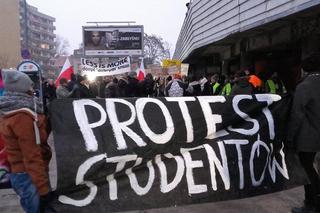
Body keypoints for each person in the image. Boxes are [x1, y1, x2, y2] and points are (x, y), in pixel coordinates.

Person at [0, 70, 53, 212]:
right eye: (29, 86)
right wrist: (43, 190)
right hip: (29, 176)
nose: (32, 89)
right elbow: (31, 155)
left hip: (26, 174)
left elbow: (37, 138)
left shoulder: (14, 110)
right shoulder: (22, 117)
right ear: (22, 89)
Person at [288, 51, 320, 213]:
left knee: (306, 169)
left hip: (308, 137)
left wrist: (289, 138)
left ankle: (312, 204)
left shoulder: (304, 86)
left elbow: (297, 115)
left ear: (304, 69)